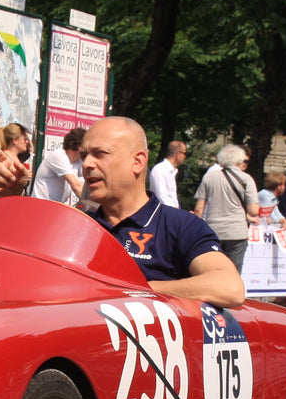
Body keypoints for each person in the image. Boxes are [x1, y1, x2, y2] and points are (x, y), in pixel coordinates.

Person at [80, 116, 244, 307]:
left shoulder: (181, 226)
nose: (86, 164)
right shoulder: (79, 224)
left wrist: (138, 290)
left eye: (100, 154)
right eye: (84, 156)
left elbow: (229, 288)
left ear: (138, 162)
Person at [192, 144, 260, 271]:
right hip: (237, 232)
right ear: (239, 160)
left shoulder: (209, 176)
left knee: (212, 271)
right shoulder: (246, 179)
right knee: (233, 273)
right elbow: (253, 211)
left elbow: (199, 209)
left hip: (213, 231)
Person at [30, 127, 85, 206]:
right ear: (80, 146)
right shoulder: (59, 156)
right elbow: (76, 185)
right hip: (40, 207)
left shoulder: (78, 161)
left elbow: (86, 183)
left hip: (56, 208)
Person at [0, 122, 32, 196]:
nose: (27, 142)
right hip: (2, 202)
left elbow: (31, 148)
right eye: (25, 139)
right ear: (15, 140)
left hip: (18, 202)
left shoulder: (20, 157)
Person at [147, 139, 186, 209]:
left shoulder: (171, 172)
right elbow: (162, 197)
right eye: (184, 153)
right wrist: (179, 214)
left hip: (170, 214)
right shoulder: (159, 170)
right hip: (162, 216)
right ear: (178, 154)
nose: (185, 157)